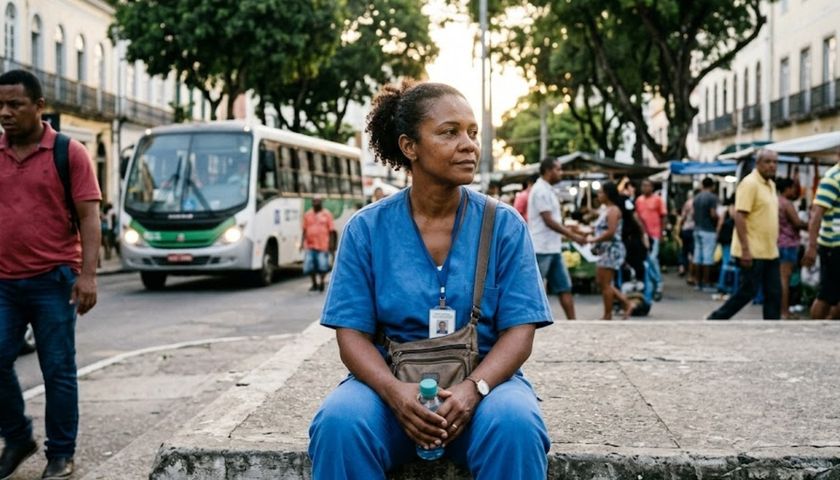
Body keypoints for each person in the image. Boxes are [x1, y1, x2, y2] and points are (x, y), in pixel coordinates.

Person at [308, 81, 552, 479]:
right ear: (410, 147)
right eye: (449, 132)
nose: (469, 145)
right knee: (339, 423)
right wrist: (393, 393)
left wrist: (473, 390)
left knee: (516, 424)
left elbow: (520, 331)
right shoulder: (366, 229)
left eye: (472, 132)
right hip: (389, 391)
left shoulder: (504, 225)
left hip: (484, 390)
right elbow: (351, 335)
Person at [0, 69, 101, 480]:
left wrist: (88, 275)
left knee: (57, 370)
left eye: (15, 104)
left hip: (54, 281)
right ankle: (17, 438)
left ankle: (61, 454)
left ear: (39, 106)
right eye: (0, 105)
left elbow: (89, 217)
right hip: (4, 283)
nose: (5, 113)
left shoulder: (68, 152)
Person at [707, 150, 780, 320]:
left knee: (774, 292)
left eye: (775, 162)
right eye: (768, 162)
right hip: (753, 249)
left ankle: (773, 325)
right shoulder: (750, 183)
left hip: (770, 250)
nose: (772, 165)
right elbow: (740, 216)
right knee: (748, 291)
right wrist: (746, 250)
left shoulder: (771, 184)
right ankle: (716, 318)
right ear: (758, 163)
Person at [527, 157, 586, 320]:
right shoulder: (540, 190)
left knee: (564, 287)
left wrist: (573, 230)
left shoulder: (548, 190)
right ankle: (530, 322)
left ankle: (573, 323)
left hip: (553, 247)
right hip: (541, 248)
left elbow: (554, 220)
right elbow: (548, 220)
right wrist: (573, 235)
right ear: (548, 171)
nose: (561, 172)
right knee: (535, 289)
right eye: (558, 169)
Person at [586, 181, 636, 320]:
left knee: (606, 283)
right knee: (601, 281)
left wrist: (593, 240)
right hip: (605, 249)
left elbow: (611, 232)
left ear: (607, 194)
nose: (598, 195)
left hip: (611, 250)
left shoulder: (613, 210)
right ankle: (626, 303)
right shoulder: (605, 209)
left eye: (601, 192)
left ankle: (608, 314)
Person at [802, 156, 840, 320]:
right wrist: (812, 247)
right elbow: (816, 215)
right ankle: (815, 328)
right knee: (826, 295)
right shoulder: (833, 178)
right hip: (833, 246)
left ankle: (829, 326)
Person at [776, 178, 808, 319]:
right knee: (785, 279)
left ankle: (781, 310)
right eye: (793, 188)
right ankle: (785, 311)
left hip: (779, 243)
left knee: (781, 278)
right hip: (788, 244)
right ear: (787, 188)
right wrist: (811, 225)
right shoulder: (786, 203)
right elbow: (797, 223)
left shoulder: (775, 201)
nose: (795, 191)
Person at [634, 179, 665, 300]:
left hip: (655, 233)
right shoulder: (639, 200)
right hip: (643, 235)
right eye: (643, 185)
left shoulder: (658, 200)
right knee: (646, 260)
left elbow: (663, 216)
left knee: (653, 259)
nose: (645, 188)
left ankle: (659, 284)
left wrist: (662, 233)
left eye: (647, 186)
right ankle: (652, 285)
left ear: (652, 187)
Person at [301, 197, 335, 292]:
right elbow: (304, 230)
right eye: (314, 202)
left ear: (321, 203)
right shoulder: (307, 215)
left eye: (318, 202)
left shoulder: (327, 214)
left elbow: (331, 231)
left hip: (323, 245)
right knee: (309, 266)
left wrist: (331, 245)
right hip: (310, 245)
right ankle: (314, 283)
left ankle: (322, 282)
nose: (316, 203)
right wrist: (301, 243)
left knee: (322, 266)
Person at [693, 177, 720, 292]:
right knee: (708, 257)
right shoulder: (712, 197)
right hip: (708, 229)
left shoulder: (697, 197)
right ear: (712, 186)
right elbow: (713, 214)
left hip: (697, 228)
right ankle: (706, 283)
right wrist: (719, 218)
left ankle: (697, 282)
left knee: (697, 256)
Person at [677, 190, 697, 282]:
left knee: (684, 250)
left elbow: (683, 217)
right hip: (695, 229)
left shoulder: (687, 204)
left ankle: (682, 268)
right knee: (693, 251)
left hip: (686, 228)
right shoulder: (697, 203)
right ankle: (692, 272)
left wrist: (680, 228)